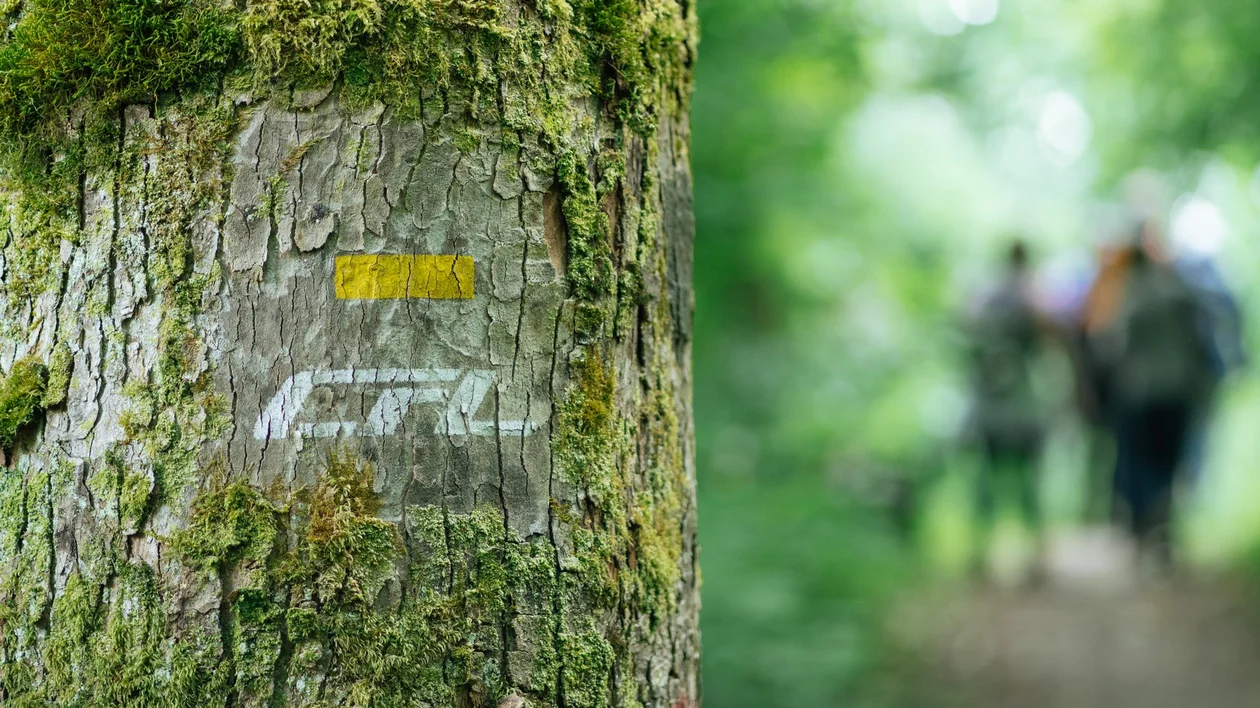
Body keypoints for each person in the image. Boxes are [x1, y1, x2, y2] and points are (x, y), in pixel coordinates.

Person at [1087, 227, 1216, 565]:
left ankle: (1145, 527)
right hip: (1177, 391)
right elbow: (1200, 342)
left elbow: (1113, 348)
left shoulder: (1130, 298)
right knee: (1168, 460)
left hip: (1139, 393)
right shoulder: (1180, 293)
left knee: (1140, 461)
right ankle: (1164, 526)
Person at [963, 240, 1052, 580]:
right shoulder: (1031, 294)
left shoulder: (984, 294)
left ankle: (978, 553)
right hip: (1022, 402)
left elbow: (966, 330)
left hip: (987, 403)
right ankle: (1036, 557)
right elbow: (1049, 335)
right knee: (1028, 480)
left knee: (985, 479)